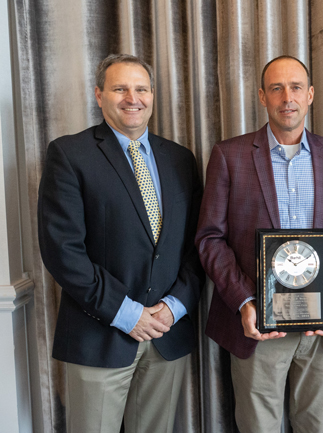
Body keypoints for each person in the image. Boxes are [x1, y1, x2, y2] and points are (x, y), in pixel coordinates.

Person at [196, 55, 323, 432]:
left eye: (296, 87)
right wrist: (243, 301)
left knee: (315, 425)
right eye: (276, 88)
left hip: (321, 327)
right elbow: (210, 238)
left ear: (310, 95)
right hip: (257, 325)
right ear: (262, 96)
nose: (287, 97)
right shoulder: (229, 155)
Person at [37, 54, 204, 433]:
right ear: (99, 95)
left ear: (153, 95)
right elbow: (63, 251)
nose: (133, 98)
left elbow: (197, 245)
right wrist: (127, 314)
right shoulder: (69, 154)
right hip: (99, 336)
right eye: (120, 88)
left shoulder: (179, 158)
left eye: (141, 88)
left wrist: (173, 307)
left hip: (166, 335)